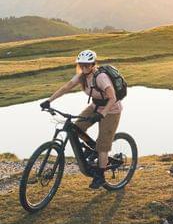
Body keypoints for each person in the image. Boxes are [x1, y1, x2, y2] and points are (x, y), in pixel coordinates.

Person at [41, 49, 123, 189]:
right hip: (96, 106)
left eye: (87, 65)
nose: (84, 68)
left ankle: (100, 176)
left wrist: (103, 114)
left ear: (93, 64)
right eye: (82, 65)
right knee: (76, 128)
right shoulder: (82, 77)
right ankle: (92, 150)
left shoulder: (101, 77)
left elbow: (113, 98)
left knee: (103, 146)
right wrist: (49, 100)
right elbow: (66, 87)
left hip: (111, 110)